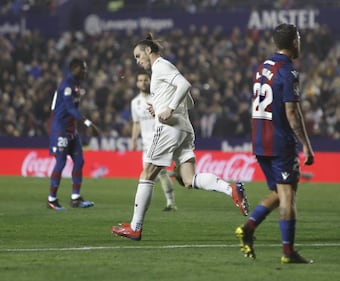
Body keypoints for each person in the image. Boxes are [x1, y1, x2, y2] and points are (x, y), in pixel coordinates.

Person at [111, 33, 249, 240]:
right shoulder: (164, 70)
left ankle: (135, 227)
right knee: (188, 179)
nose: (137, 61)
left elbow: (185, 85)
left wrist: (169, 108)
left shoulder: (161, 66)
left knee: (147, 174)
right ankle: (231, 190)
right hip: (184, 129)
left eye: (138, 56)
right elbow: (190, 101)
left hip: (169, 128)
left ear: (149, 50)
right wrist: (159, 106)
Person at [235, 23, 315, 264]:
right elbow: (292, 113)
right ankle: (288, 252)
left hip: (259, 141)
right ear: (294, 42)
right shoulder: (287, 71)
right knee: (288, 195)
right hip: (280, 142)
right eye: (299, 38)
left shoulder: (262, 67)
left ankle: (248, 228)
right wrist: (306, 145)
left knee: (279, 193)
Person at [47, 58, 99, 210]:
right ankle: (52, 199)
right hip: (60, 130)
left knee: (79, 161)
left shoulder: (75, 84)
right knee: (61, 162)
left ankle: (75, 198)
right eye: (83, 68)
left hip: (71, 130)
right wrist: (88, 123)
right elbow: (70, 109)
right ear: (74, 68)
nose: (85, 71)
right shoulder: (66, 85)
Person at [131, 69, 177, 211]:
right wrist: (133, 138)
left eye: (145, 80)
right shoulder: (135, 102)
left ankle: (170, 203)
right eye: (140, 80)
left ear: (150, 81)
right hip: (145, 143)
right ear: (137, 83)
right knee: (152, 173)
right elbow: (136, 123)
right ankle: (174, 174)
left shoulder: (157, 97)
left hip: (158, 139)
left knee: (154, 173)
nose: (143, 83)